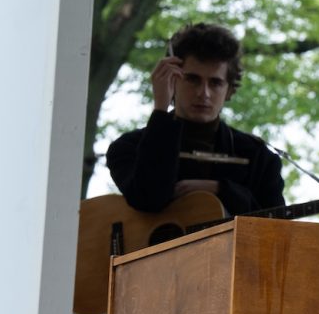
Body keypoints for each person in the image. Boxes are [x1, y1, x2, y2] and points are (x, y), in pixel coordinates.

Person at [107, 22, 285, 216]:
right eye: (193, 79)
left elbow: (276, 225)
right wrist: (160, 109)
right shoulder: (128, 147)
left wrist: (221, 189)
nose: (204, 93)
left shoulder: (259, 158)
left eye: (215, 83)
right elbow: (148, 198)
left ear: (229, 90)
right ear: (172, 80)